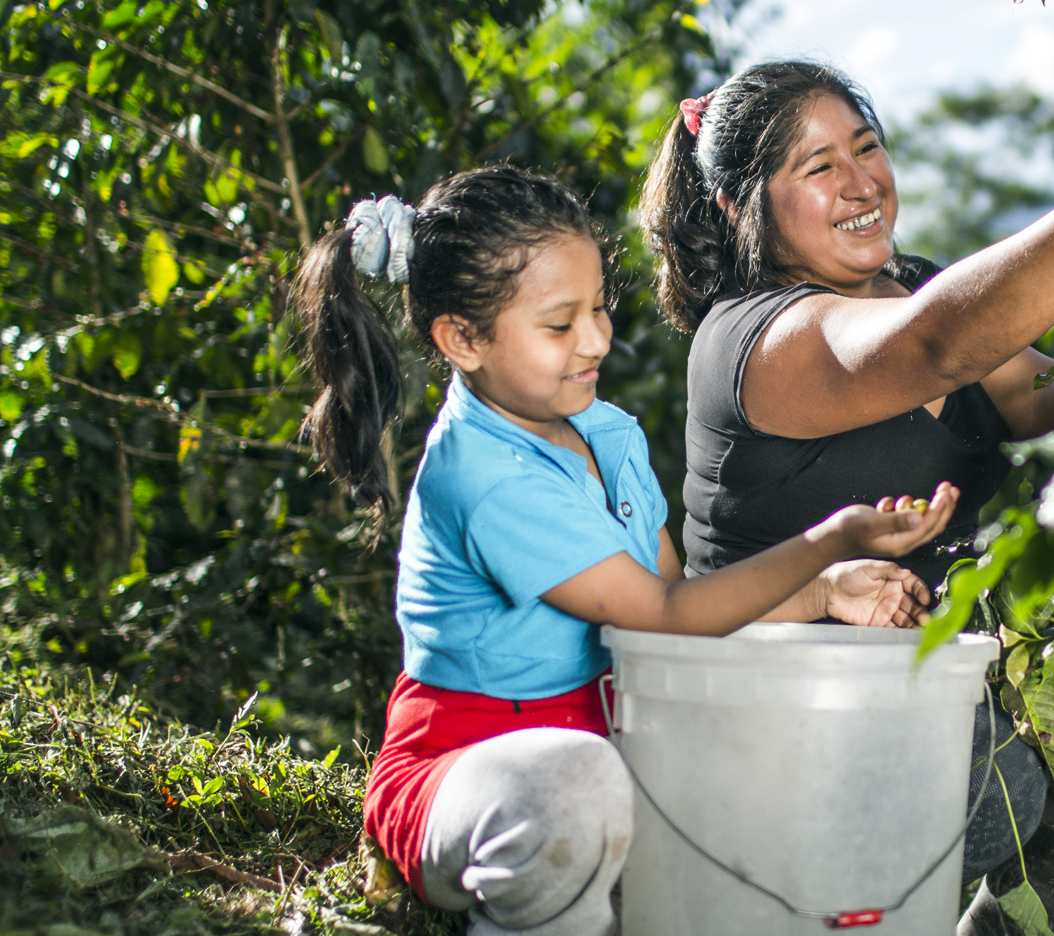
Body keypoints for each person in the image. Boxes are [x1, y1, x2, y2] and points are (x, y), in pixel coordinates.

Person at [638, 61, 1054, 936]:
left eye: (866, 147)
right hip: (775, 727)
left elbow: (1041, 396)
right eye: (818, 166)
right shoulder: (754, 336)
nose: (860, 183)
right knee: (997, 782)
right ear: (739, 209)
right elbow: (934, 347)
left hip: (908, 692)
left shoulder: (909, 284)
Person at [291, 165, 960, 936]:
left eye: (600, 309)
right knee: (574, 788)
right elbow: (664, 616)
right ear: (462, 339)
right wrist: (826, 542)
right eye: (559, 324)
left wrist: (826, 592)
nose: (596, 339)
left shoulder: (604, 431)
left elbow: (673, 591)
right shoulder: (484, 475)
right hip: (480, 771)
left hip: (614, 736)